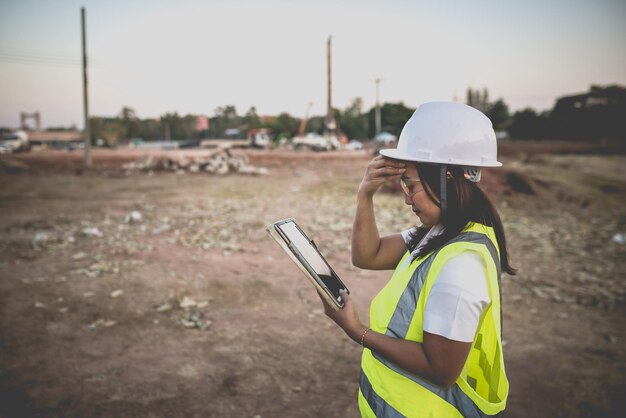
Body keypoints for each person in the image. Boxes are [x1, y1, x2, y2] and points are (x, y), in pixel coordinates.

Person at [320, 102, 515, 417]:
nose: (406, 196)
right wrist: (364, 193)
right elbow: (367, 255)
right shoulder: (437, 232)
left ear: (447, 177)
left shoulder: (461, 265)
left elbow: (441, 370)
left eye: (410, 185)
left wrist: (357, 331)